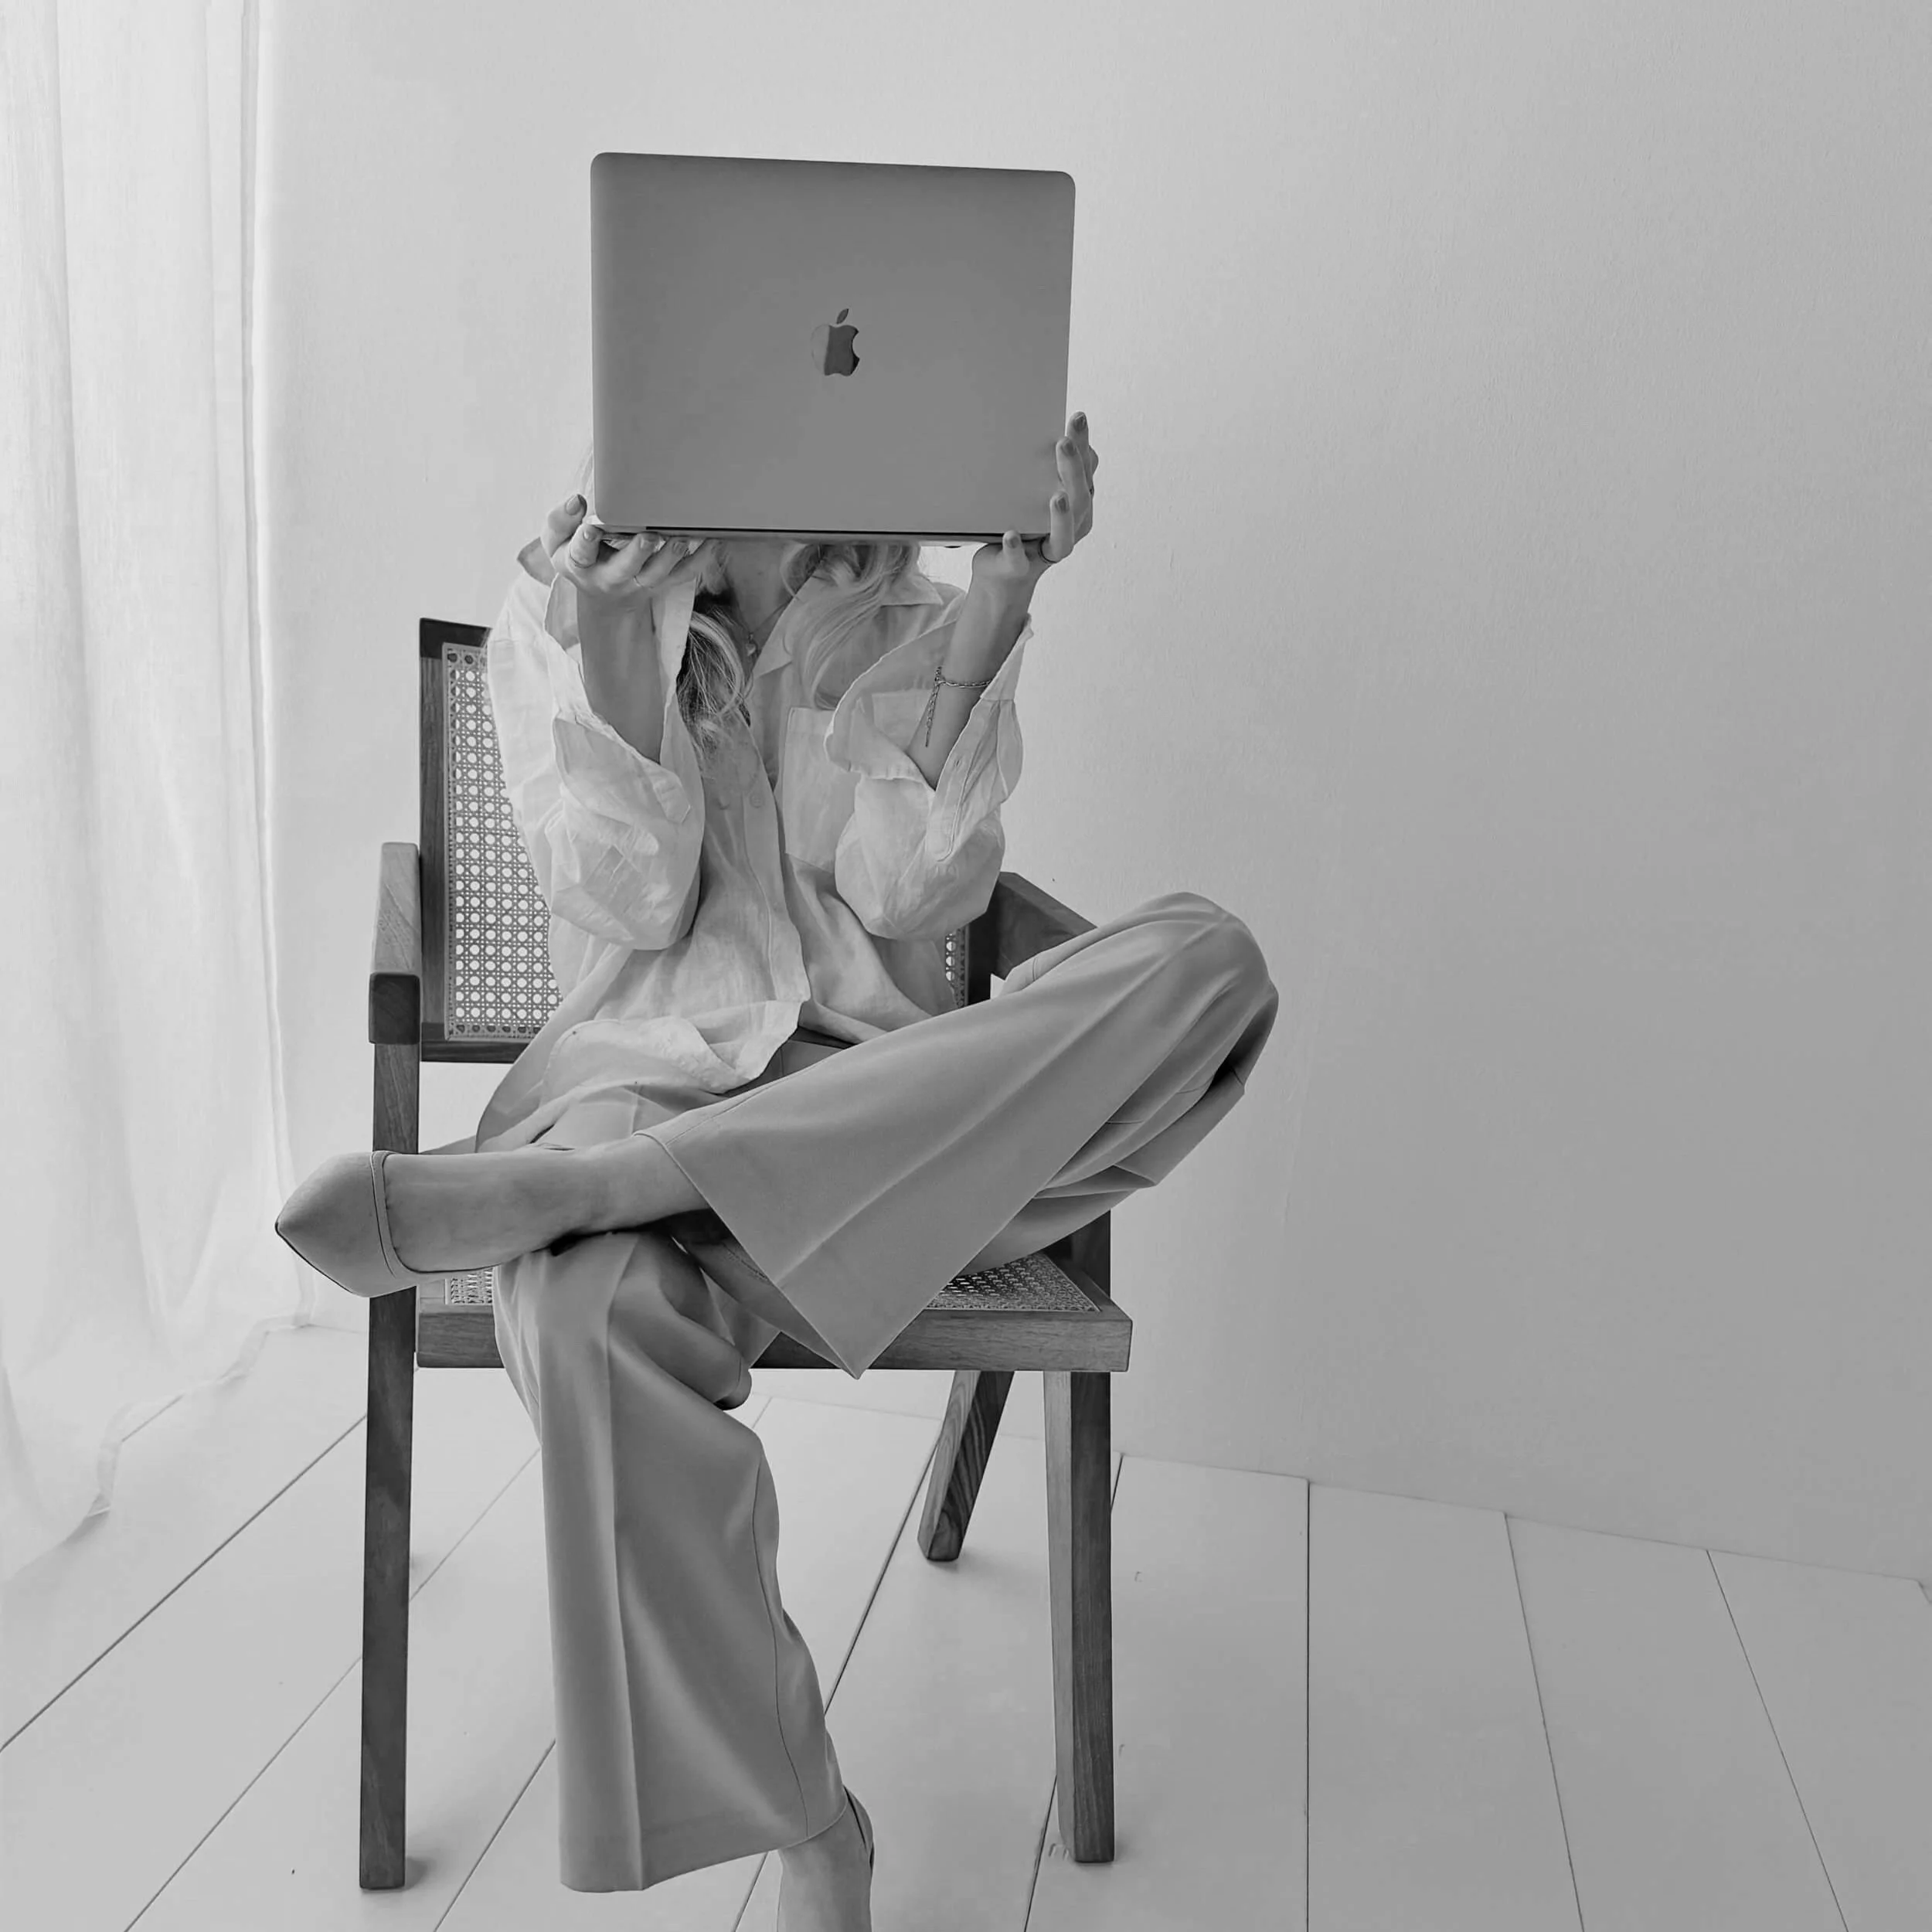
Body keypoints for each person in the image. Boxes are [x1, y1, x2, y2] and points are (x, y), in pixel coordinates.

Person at [275, 410, 1279, 1926]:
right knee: (589, 1315)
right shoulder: (558, 614)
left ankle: (595, 1193)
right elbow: (625, 898)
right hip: (640, 1081)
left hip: (895, 1114)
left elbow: (916, 892)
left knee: (1210, 963)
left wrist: (1002, 599)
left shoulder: (915, 615)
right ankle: (810, 1824)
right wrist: (617, 649)